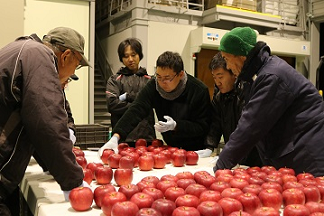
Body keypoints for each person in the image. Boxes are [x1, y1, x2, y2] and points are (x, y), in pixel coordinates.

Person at [0, 26, 91, 214]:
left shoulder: (23, 49)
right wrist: (73, 182)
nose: (74, 71)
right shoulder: (39, 56)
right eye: (77, 64)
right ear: (66, 56)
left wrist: (49, 165)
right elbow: (46, 124)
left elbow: (32, 121)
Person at [214, 26, 324, 177]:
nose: (227, 66)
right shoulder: (255, 75)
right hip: (291, 151)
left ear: (241, 56)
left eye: (227, 59)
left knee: (310, 198)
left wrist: (220, 167)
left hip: (307, 154)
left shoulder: (272, 76)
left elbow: (251, 125)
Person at [99, 51, 211, 155]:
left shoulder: (198, 90)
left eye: (167, 78)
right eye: (158, 76)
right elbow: (136, 110)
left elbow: (202, 126)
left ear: (180, 74)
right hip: (171, 148)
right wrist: (116, 136)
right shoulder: (154, 85)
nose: (162, 82)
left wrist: (177, 126)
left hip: (196, 150)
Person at [197, 52, 263, 166]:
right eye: (214, 77)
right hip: (235, 154)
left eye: (221, 76)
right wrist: (210, 146)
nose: (217, 82)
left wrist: (230, 153)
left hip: (254, 156)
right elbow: (215, 124)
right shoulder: (219, 97)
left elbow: (247, 129)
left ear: (233, 74)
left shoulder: (247, 92)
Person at [106, 38, 156, 146]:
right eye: (126, 56)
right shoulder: (114, 80)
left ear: (139, 55)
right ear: (121, 58)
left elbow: (153, 103)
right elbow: (112, 105)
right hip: (122, 138)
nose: (130, 59)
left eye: (133, 55)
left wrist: (128, 97)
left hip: (147, 137)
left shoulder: (150, 80)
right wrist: (141, 106)